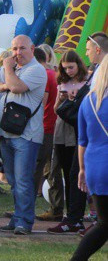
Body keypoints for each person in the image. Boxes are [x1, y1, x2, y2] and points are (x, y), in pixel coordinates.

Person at [0, 34, 46, 235]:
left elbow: (18, 87)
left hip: (26, 136)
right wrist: (4, 84)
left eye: (22, 48)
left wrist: (8, 70)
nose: (17, 53)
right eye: (14, 49)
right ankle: (18, 218)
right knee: (12, 179)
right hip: (5, 133)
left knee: (23, 179)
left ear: (32, 48)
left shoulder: (37, 70)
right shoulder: (9, 70)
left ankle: (25, 222)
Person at [45, 50, 89, 234]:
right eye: (65, 68)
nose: (69, 71)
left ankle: (75, 216)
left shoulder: (87, 82)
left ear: (78, 65)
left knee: (75, 174)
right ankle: (71, 214)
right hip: (63, 130)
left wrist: (75, 99)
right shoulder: (62, 82)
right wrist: (64, 100)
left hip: (77, 133)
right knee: (66, 173)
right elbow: (56, 109)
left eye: (71, 67)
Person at [70, 59, 108, 260]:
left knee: (104, 222)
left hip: (94, 165)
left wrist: (82, 169)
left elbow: (82, 140)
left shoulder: (89, 100)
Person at [32, 47, 59, 211]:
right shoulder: (53, 74)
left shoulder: (43, 75)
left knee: (37, 168)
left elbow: (41, 103)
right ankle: (56, 208)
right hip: (54, 126)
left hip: (44, 127)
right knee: (52, 168)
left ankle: (26, 206)